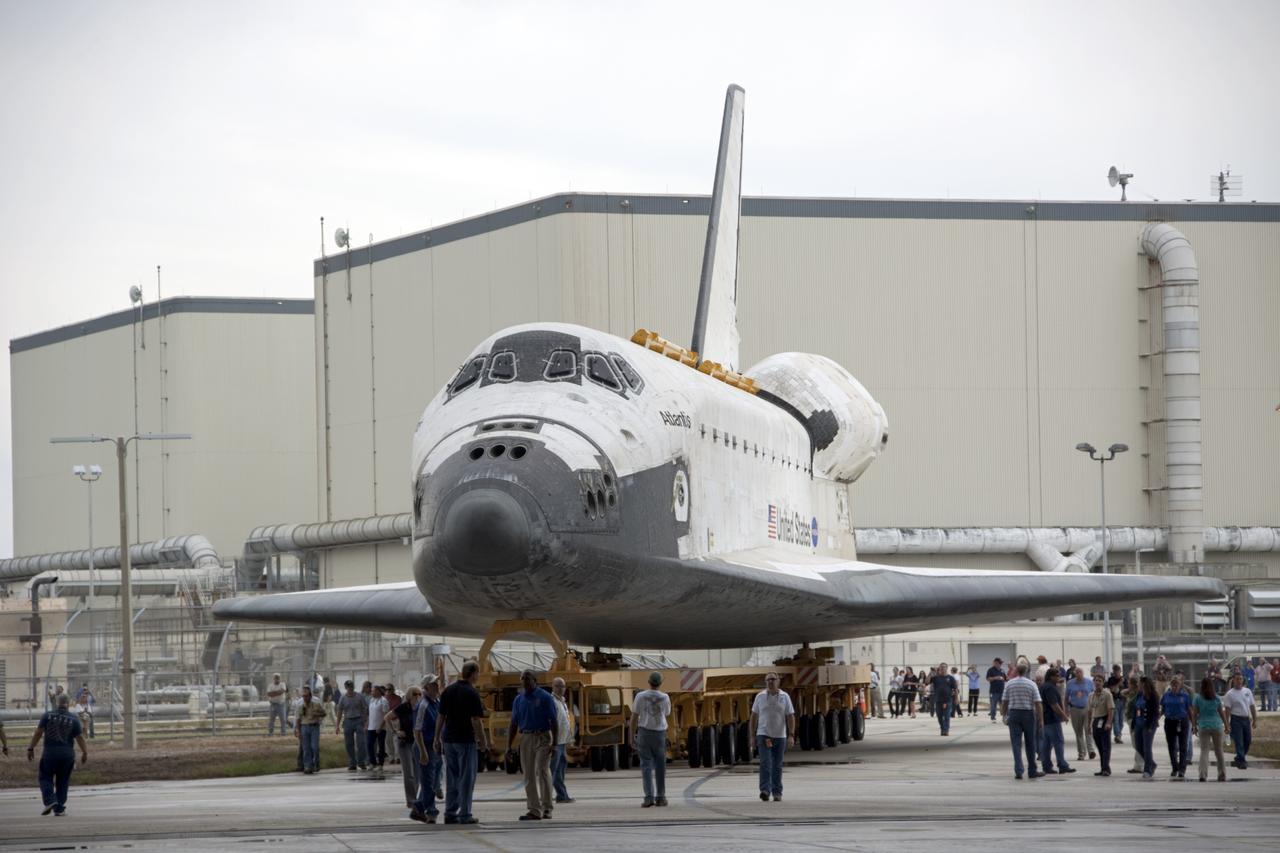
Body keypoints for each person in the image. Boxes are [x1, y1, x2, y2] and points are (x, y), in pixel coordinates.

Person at [435, 661, 487, 825]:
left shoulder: (448, 691)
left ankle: (450, 813)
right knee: (466, 778)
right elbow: (476, 720)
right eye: (477, 673)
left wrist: (437, 738)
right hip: (465, 740)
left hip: (449, 740)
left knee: (452, 777)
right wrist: (483, 742)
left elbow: (441, 716)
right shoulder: (471, 692)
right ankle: (465, 814)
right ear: (473, 673)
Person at [27, 693, 88, 816]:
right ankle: (59, 808)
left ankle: (50, 800)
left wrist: (31, 748)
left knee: (45, 777)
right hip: (67, 755)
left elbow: (38, 732)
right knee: (63, 780)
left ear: (57, 703)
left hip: (50, 754)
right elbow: (80, 737)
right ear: (69, 704)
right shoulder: (74, 719)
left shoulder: (47, 716)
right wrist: (85, 752)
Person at [508, 670, 557, 821]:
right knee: (528, 774)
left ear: (535, 680)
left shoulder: (545, 697)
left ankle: (547, 807)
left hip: (543, 736)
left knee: (542, 770)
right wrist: (508, 746)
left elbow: (554, 721)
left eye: (527, 679)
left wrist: (554, 744)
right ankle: (534, 810)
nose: (524, 681)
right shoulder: (518, 699)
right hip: (527, 737)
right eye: (522, 679)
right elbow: (514, 723)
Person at [749, 672, 795, 801]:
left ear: (778, 681)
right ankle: (765, 790)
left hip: (780, 736)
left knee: (777, 765)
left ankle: (777, 792)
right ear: (765, 682)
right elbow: (754, 717)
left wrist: (791, 735)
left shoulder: (785, 697)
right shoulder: (760, 697)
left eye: (773, 679)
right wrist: (752, 736)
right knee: (765, 763)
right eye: (768, 680)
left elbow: (790, 716)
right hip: (763, 735)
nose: (770, 682)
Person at [631, 671, 672, 807]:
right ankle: (661, 797)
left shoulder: (640, 696)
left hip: (644, 733)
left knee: (646, 766)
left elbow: (634, 718)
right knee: (661, 766)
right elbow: (667, 713)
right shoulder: (665, 697)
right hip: (660, 734)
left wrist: (631, 736)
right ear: (660, 683)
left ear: (648, 682)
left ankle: (648, 797)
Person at [1000, 663, 1044, 780]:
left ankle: (1019, 770)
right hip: (1028, 714)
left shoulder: (1009, 683)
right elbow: (1038, 703)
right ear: (1026, 672)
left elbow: (1004, 701)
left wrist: (1004, 715)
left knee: (1016, 744)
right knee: (1031, 744)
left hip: (1014, 714)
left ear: (1016, 671)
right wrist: (1041, 719)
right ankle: (1032, 770)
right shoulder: (1031, 684)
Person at [411, 675, 442, 824]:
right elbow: (417, 730)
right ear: (427, 687)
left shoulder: (437, 702)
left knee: (435, 781)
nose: (437, 685)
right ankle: (431, 811)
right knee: (428, 781)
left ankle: (418, 806)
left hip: (435, 745)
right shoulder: (423, 705)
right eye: (434, 684)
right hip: (425, 745)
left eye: (437, 683)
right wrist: (423, 751)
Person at [1190, 677, 1228, 782]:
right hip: (1216, 726)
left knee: (1204, 751)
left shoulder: (1197, 698)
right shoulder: (1216, 698)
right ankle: (1222, 774)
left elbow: (1194, 714)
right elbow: (1221, 713)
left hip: (1203, 726)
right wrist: (1226, 725)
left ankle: (1203, 774)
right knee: (1219, 751)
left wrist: (1194, 726)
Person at [1037, 668, 1074, 775]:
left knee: (1047, 744)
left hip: (1045, 719)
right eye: (1057, 675)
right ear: (1051, 676)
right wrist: (1064, 715)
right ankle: (1062, 765)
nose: (1058, 677)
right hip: (1052, 719)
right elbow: (1054, 705)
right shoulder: (1050, 688)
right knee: (1058, 742)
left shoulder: (1043, 686)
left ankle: (1047, 766)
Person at [390, 685, 420, 806]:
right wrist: (396, 731)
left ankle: (415, 797)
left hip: (417, 742)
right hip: (405, 743)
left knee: (418, 773)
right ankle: (411, 800)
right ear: (409, 696)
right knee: (409, 773)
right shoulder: (404, 707)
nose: (417, 697)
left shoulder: (420, 708)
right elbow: (387, 718)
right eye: (414, 694)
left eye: (419, 694)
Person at [1160, 675, 1193, 779]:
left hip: (1182, 721)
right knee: (1171, 746)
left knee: (1183, 746)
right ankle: (1175, 767)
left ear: (1180, 685)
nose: (1174, 687)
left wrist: (1194, 724)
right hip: (1170, 721)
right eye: (1173, 684)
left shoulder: (1185, 696)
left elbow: (1189, 710)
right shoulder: (1166, 695)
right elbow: (1163, 709)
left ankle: (1182, 769)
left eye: (1176, 684)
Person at [1222, 673, 1256, 770]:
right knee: (1239, 741)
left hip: (1246, 719)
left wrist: (1255, 719)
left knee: (1248, 740)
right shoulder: (1230, 694)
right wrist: (1227, 724)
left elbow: (1252, 706)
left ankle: (1239, 756)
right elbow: (1227, 710)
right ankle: (1241, 761)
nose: (1239, 681)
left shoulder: (1247, 691)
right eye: (1237, 679)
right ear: (1233, 680)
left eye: (1241, 679)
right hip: (1236, 720)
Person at [1131, 676, 1162, 779]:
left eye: (1140, 683)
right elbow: (1136, 709)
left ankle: (1148, 769)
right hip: (1138, 724)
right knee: (1138, 746)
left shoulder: (1153, 695)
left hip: (1148, 725)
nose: (1138, 685)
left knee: (1147, 747)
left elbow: (1155, 713)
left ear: (1145, 684)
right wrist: (1133, 724)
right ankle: (1152, 763)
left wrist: (1151, 726)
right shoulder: (1139, 694)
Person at [335, 680, 369, 771]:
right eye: (348, 687)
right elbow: (339, 711)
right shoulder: (343, 698)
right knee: (349, 743)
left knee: (361, 743)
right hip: (348, 721)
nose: (350, 688)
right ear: (346, 688)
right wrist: (337, 725)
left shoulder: (359, 697)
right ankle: (352, 763)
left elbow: (364, 709)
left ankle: (361, 762)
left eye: (351, 686)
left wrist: (365, 722)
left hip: (358, 720)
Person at [550, 677, 574, 804]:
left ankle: (562, 794)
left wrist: (569, 738)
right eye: (558, 686)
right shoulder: (552, 701)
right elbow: (553, 722)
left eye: (563, 686)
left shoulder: (562, 702)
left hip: (563, 741)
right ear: (553, 687)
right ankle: (560, 795)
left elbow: (566, 722)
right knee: (554, 770)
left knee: (561, 768)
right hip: (556, 742)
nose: (561, 689)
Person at [295, 684, 327, 774]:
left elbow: (324, 713)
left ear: (310, 696)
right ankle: (308, 766)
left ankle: (316, 763)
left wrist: (317, 714)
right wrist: (298, 730)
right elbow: (298, 719)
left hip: (314, 727)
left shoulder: (316, 704)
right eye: (303, 696)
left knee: (314, 747)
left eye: (306, 696)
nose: (305, 698)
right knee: (306, 748)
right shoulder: (301, 705)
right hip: (304, 727)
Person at [1064, 668, 1094, 761]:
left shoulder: (1089, 682)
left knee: (1088, 729)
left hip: (1087, 709)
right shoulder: (1070, 683)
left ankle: (1091, 750)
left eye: (1080, 672)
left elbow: (1093, 695)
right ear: (1075, 674)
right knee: (1078, 732)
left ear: (1083, 673)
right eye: (1076, 673)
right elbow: (1066, 698)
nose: (1078, 674)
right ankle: (1081, 753)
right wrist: (1066, 710)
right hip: (1075, 709)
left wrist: (1094, 708)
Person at [1087, 675, 1114, 776]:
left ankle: (1106, 769)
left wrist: (1108, 722)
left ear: (1103, 683)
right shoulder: (1091, 695)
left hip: (1105, 719)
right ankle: (1103, 768)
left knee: (1106, 746)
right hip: (1096, 720)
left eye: (1100, 681)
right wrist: (1089, 725)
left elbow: (1111, 710)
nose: (1097, 682)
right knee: (1099, 746)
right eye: (1096, 681)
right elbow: (1089, 712)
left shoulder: (1107, 694)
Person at [366, 684, 390, 771]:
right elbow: (370, 714)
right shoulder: (371, 700)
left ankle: (380, 764)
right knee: (369, 744)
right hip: (371, 727)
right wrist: (367, 723)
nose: (372, 692)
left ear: (378, 691)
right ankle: (372, 762)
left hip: (380, 727)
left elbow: (386, 715)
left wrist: (381, 726)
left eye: (373, 691)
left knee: (381, 746)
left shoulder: (384, 701)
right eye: (371, 691)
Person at [929, 663, 956, 735]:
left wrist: (956, 699)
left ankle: (946, 730)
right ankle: (942, 728)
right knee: (939, 716)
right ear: (939, 668)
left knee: (947, 716)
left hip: (948, 700)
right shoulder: (935, 678)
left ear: (947, 668)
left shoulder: (950, 678)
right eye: (941, 667)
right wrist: (930, 673)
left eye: (944, 667)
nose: (943, 668)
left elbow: (955, 689)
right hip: (938, 700)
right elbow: (927, 682)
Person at [1105, 665, 1126, 744]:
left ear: (1120, 671)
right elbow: (1112, 690)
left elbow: (1127, 690)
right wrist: (1119, 683)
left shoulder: (1124, 679)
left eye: (1118, 670)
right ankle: (1117, 735)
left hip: (1122, 701)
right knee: (1115, 719)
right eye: (1115, 671)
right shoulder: (1111, 680)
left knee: (1121, 721)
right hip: (1114, 701)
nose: (1116, 672)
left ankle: (1118, 734)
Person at [986, 658, 1006, 722]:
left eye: (1001, 663)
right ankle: (993, 717)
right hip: (994, 691)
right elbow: (988, 679)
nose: (1000, 664)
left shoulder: (1002, 670)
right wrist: (996, 678)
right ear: (995, 663)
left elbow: (1005, 678)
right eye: (999, 663)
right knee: (993, 705)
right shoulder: (991, 670)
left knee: (1003, 705)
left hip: (1002, 691)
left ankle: (1004, 717)